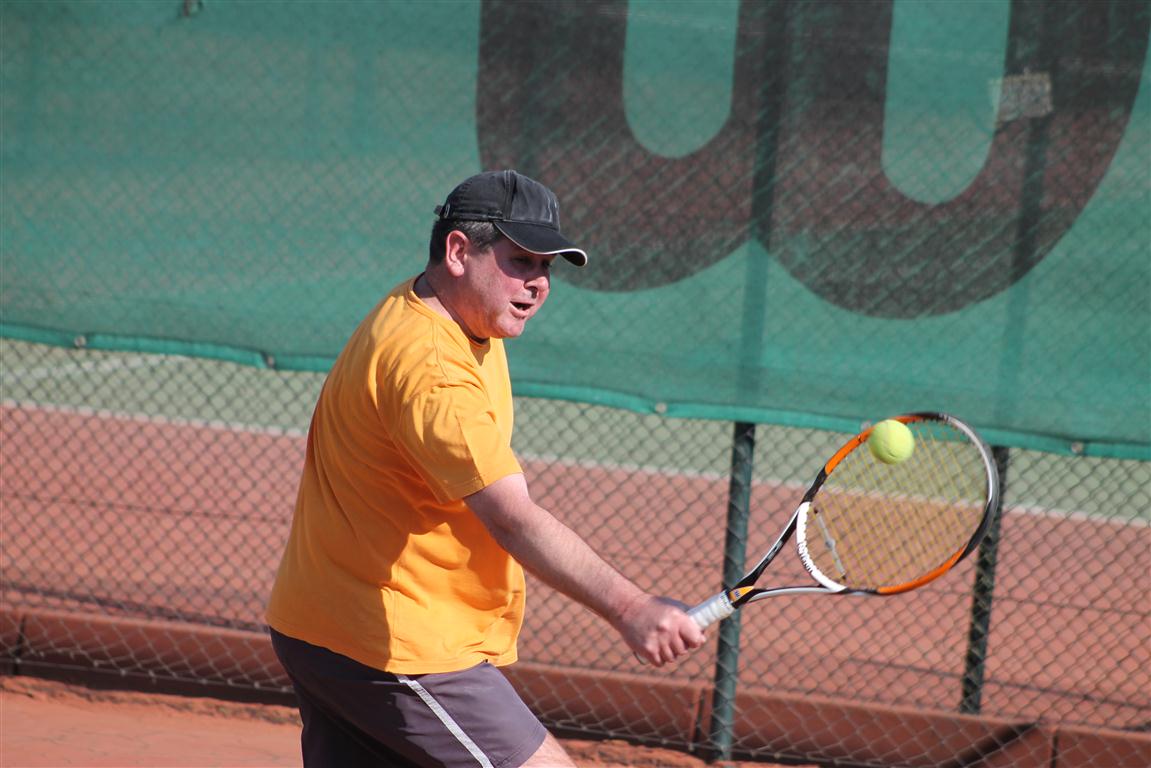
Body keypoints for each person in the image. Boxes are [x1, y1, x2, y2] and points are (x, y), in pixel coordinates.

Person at [265, 170, 706, 767]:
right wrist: (631, 609)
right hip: (396, 648)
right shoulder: (432, 370)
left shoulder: (440, 308)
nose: (538, 283)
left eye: (546, 266)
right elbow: (510, 517)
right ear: (457, 251)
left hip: (321, 624)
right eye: (520, 261)